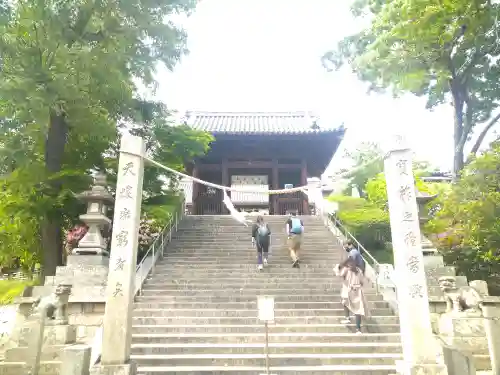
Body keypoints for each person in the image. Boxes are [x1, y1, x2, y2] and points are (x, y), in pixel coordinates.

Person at [335, 258, 369, 334]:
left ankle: (358, 329)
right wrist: (339, 266)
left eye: (352, 263)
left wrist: (358, 286)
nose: (351, 265)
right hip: (348, 291)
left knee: (358, 310)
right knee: (345, 303)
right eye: (349, 264)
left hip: (357, 292)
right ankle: (347, 318)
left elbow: (362, 282)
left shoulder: (358, 271)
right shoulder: (346, 270)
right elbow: (338, 274)